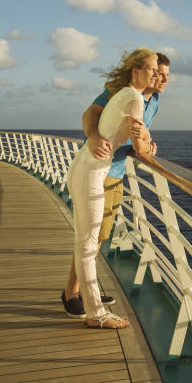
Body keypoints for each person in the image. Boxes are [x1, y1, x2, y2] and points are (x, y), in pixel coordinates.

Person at [60, 54, 170, 319]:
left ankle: (88, 290)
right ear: (140, 72)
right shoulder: (121, 92)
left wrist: (148, 141)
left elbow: (139, 134)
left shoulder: (153, 101)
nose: (162, 79)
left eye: (165, 75)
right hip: (101, 169)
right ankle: (72, 294)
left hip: (116, 171)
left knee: (100, 235)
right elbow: (91, 114)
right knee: (91, 238)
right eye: (157, 72)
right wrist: (95, 136)